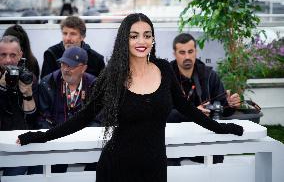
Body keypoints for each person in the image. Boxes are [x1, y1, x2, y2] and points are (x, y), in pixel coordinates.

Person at [17, 13, 243, 182]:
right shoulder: (112, 76)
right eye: (134, 36)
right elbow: (83, 117)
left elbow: (186, 107)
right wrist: (40, 136)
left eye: (146, 35)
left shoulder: (164, 69)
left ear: (153, 39)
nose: (141, 41)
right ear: (125, 39)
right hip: (117, 168)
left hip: (155, 168)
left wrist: (222, 128)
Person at [167, 33, 241, 164]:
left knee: (216, 163)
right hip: (173, 139)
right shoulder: (165, 77)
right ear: (174, 54)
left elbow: (223, 110)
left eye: (190, 51)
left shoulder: (209, 76)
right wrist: (192, 113)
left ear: (196, 51)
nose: (187, 57)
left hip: (205, 136)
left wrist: (230, 105)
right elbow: (162, 113)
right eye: (182, 52)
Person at [38, 46, 98, 173]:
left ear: (84, 68)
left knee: (99, 164)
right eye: (63, 64)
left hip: (85, 143)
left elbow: (98, 119)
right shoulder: (47, 83)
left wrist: (81, 137)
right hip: (56, 143)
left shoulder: (95, 85)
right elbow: (43, 117)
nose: (65, 69)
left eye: (71, 66)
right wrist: (58, 138)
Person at [0, 35, 41, 176]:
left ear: (20, 56)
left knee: (36, 166)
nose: (8, 60)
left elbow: (32, 119)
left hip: (19, 141)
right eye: (3, 55)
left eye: (13, 55)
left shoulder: (28, 78)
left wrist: (27, 94)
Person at [40, 16, 105, 79]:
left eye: (73, 34)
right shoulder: (51, 54)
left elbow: (101, 87)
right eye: (65, 33)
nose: (68, 38)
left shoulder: (96, 59)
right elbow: (45, 85)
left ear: (82, 37)